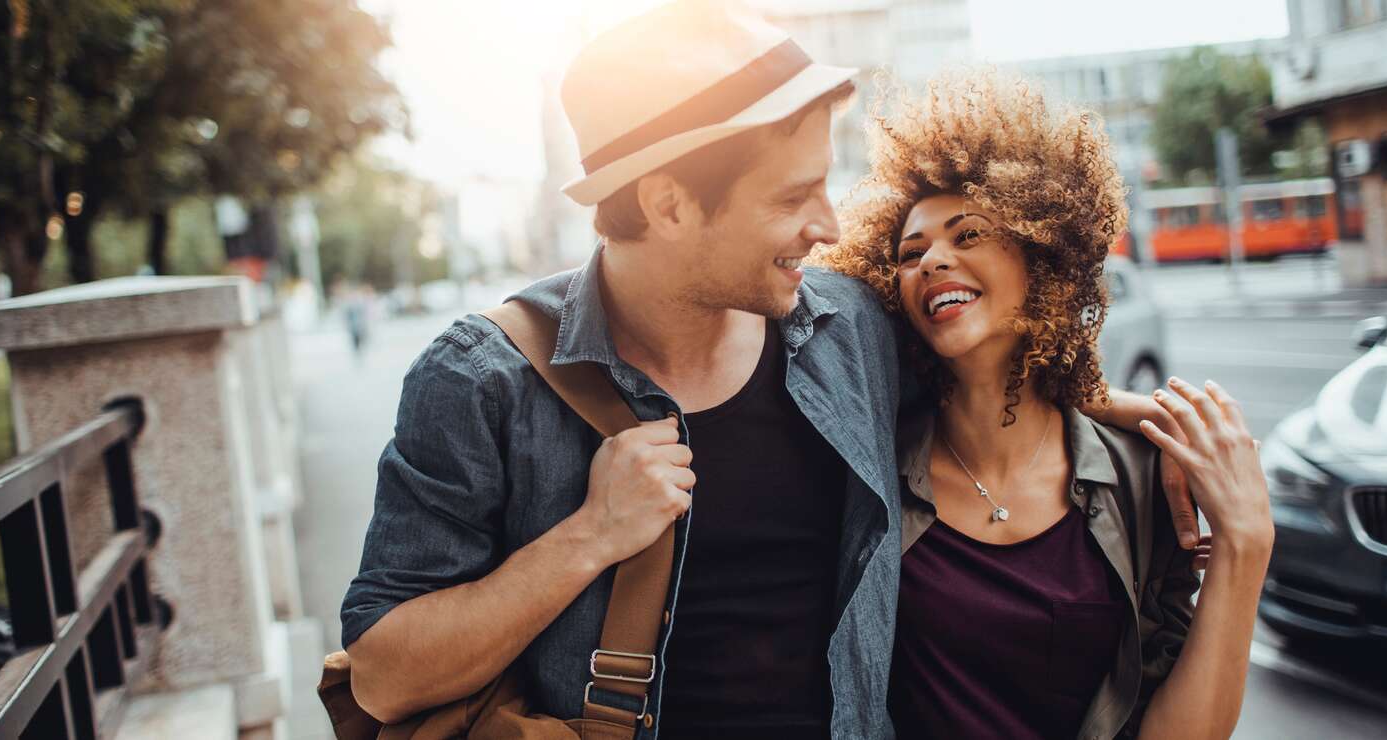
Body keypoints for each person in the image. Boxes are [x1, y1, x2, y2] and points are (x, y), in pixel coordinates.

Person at [340, 3, 1194, 738]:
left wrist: (1148, 430)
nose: (829, 226)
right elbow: (383, 677)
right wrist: (589, 536)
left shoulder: (850, 328)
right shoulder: (482, 381)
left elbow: (990, 378)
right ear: (669, 203)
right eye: (792, 197)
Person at [819, 69, 1273, 739]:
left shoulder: (1140, 475)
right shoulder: (868, 469)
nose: (932, 260)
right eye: (910, 253)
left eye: (968, 235)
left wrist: (1246, 542)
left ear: (1041, 259)